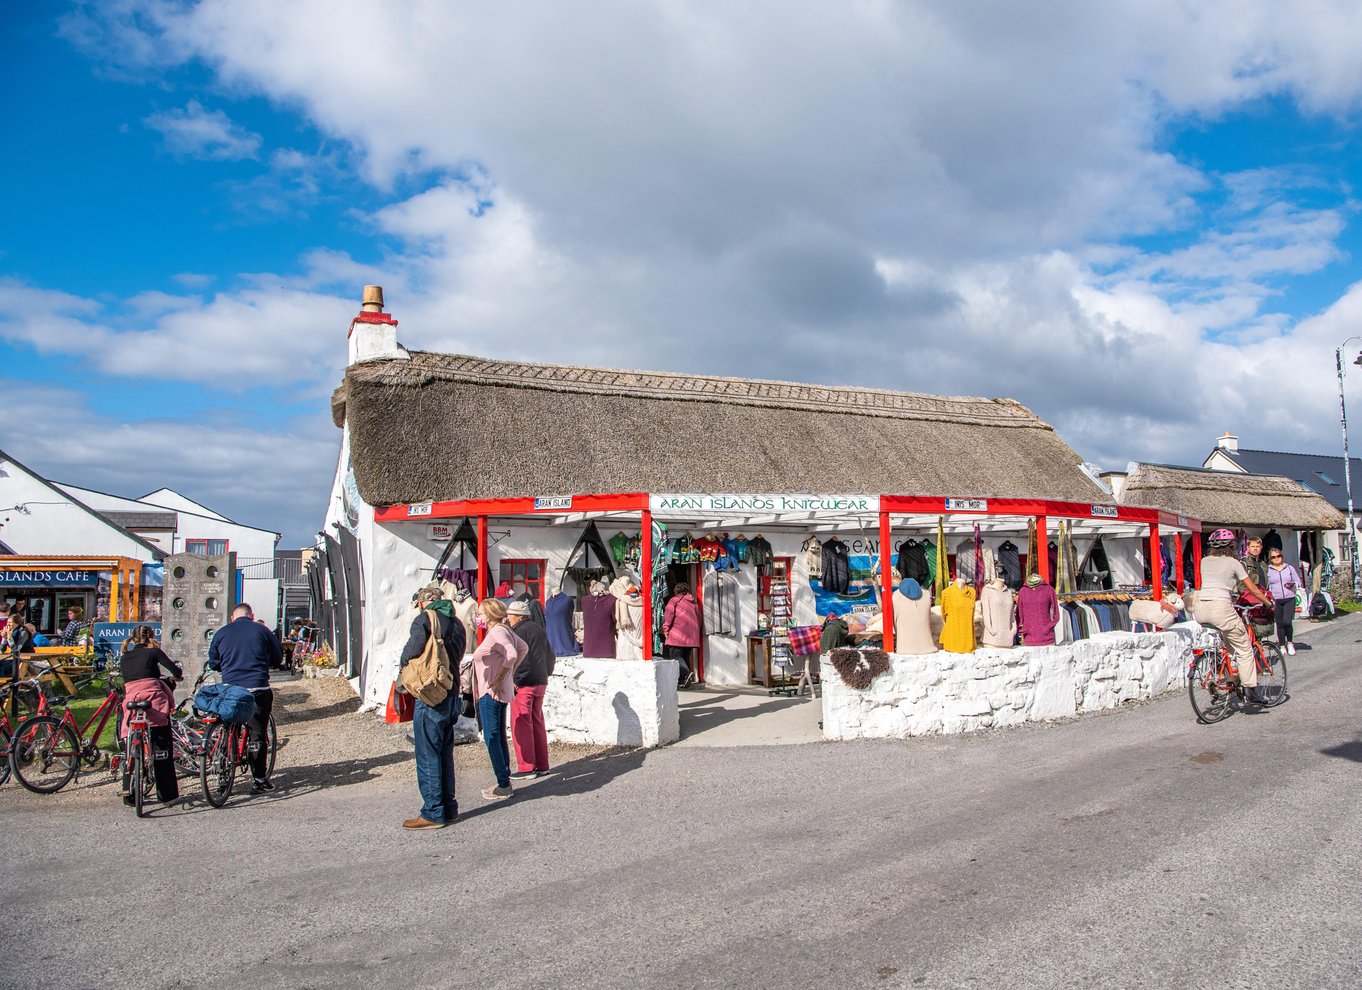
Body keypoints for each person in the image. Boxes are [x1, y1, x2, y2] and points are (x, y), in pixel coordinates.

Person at [400, 583, 466, 830]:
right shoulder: (457, 622)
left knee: (427, 753)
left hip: (431, 693)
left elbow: (411, 651)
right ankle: (449, 808)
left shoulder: (425, 620)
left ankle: (432, 812)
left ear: (423, 602)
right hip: (452, 691)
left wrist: (403, 667)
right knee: (444, 753)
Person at [206, 603, 281, 792]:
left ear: (233, 617)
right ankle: (259, 779)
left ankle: (224, 776)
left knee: (229, 725)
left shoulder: (222, 633)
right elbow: (277, 658)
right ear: (252, 615)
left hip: (231, 689)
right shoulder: (263, 631)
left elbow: (214, 662)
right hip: (258, 688)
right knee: (258, 733)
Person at [1194, 529, 1274, 705]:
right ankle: (1251, 691)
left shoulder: (1204, 561)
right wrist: (1267, 602)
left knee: (1230, 641)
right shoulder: (1234, 562)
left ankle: (1232, 672)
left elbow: (1215, 583)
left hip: (1201, 608)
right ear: (1233, 546)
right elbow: (1252, 588)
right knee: (1245, 648)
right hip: (1221, 608)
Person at [470, 598, 527, 801]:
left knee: (492, 736)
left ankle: (503, 783)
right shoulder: (506, 630)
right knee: (498, 734)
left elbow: (512, 654)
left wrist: (502, 676)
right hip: (497, 689)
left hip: (491, 690)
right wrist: (508, 674)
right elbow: (523, 649)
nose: (478, 617)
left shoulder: (497, 631)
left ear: (490, 614)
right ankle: (504, 779)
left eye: (480, 614)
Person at [119, 625, 183, 805]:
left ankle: (129, 792)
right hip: (153, 700)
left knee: (130, 742)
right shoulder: (154, 652)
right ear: (151, 637)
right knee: (161, 742)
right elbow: (175, 671)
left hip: (131, 701)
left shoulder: (125, 657)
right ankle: (167, 795)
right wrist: (174, 678)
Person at [505, 600, 551, 781]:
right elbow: (550, 654)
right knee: (537, 722)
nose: (508, 618)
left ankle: (527, 767)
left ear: (518, 616)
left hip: (524, 683)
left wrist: (517, 680)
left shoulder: (519, 632)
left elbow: (522, 660)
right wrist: (547, 673)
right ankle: (542, 765)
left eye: (510, 614)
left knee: (522, 722)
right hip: (540, 680)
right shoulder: (538, 629)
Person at [662, 582, 702, 687]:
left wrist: (666, 628)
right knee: (684, 657)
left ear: (676, 591)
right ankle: (683, 681)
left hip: (677, 634)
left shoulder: (674, 600)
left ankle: (686, 673)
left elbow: (669, 615)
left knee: (676, 656)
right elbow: (699, 619)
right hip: (691, 636)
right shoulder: (694, 603)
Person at [1266, 549, 1303, 656]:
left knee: (1287, 621)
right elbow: (1266, 585)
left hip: (1289, 598)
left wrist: (1292, 584)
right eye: (1273, 557)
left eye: (1278, 556)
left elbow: (1298, 581)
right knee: (1280, 623)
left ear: (1281, 556)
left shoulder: (1289, 568)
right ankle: (1282, 645)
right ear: (1270, 559)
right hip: (1276, 599)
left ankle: (1290, 643)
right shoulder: (1268, 570)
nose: (1276, 558)